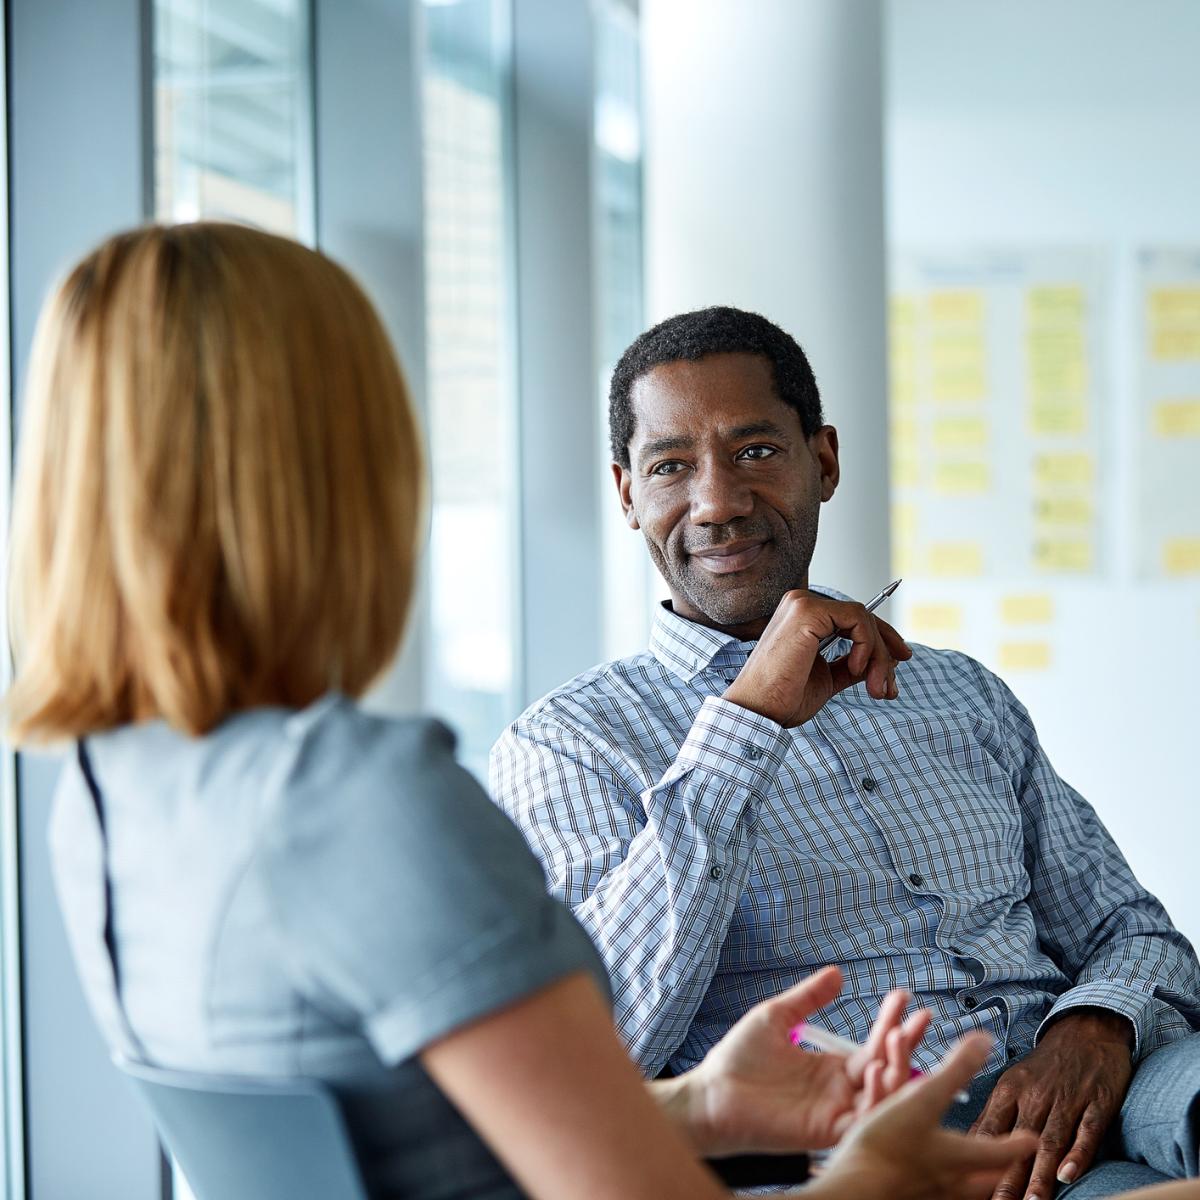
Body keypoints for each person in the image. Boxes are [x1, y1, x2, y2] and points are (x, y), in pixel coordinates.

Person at [4, 223, 1040, 1200]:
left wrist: (700, 1105)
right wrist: (876, 1177)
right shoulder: (362, 799)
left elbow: (410, 1150)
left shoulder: (109, 794)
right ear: (335, 472)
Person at [490, 305, 1200, 1200]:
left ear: (822, 461)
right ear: (628, 494)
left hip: (1110, 1085)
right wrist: (743, 725)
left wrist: (1097, 1025)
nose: (716, 501)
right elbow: (605, 1044)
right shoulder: (570, 744)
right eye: (672, 467)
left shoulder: (959, 693)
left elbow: (1132, 931)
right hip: (874, 1157)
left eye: (755, 452)